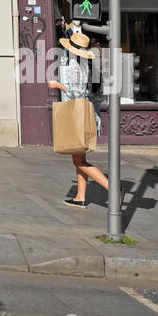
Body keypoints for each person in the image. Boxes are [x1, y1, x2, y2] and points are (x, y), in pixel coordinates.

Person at [49, 26, 108, 208]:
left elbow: (76, 93)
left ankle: (113, 189)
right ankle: (80, 197)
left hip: (77, 117)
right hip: (87, 115)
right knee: (79, 160)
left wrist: (57, 85)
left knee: (78, 161)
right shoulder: (87, 65)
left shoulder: (75, 66)